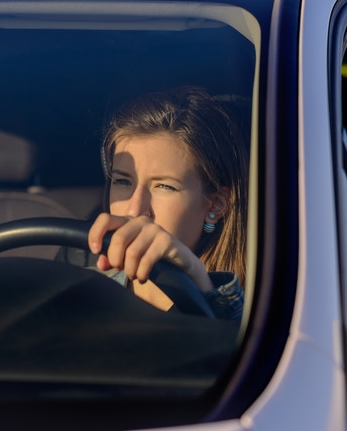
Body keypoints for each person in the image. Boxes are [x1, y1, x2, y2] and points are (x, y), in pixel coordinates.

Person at [87, 86, 248, 320]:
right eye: (122, 181)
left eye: (164, 186)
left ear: (216, 204)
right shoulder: (80, 291)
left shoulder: (269, 306)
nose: (134, 209)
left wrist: (198, 282)